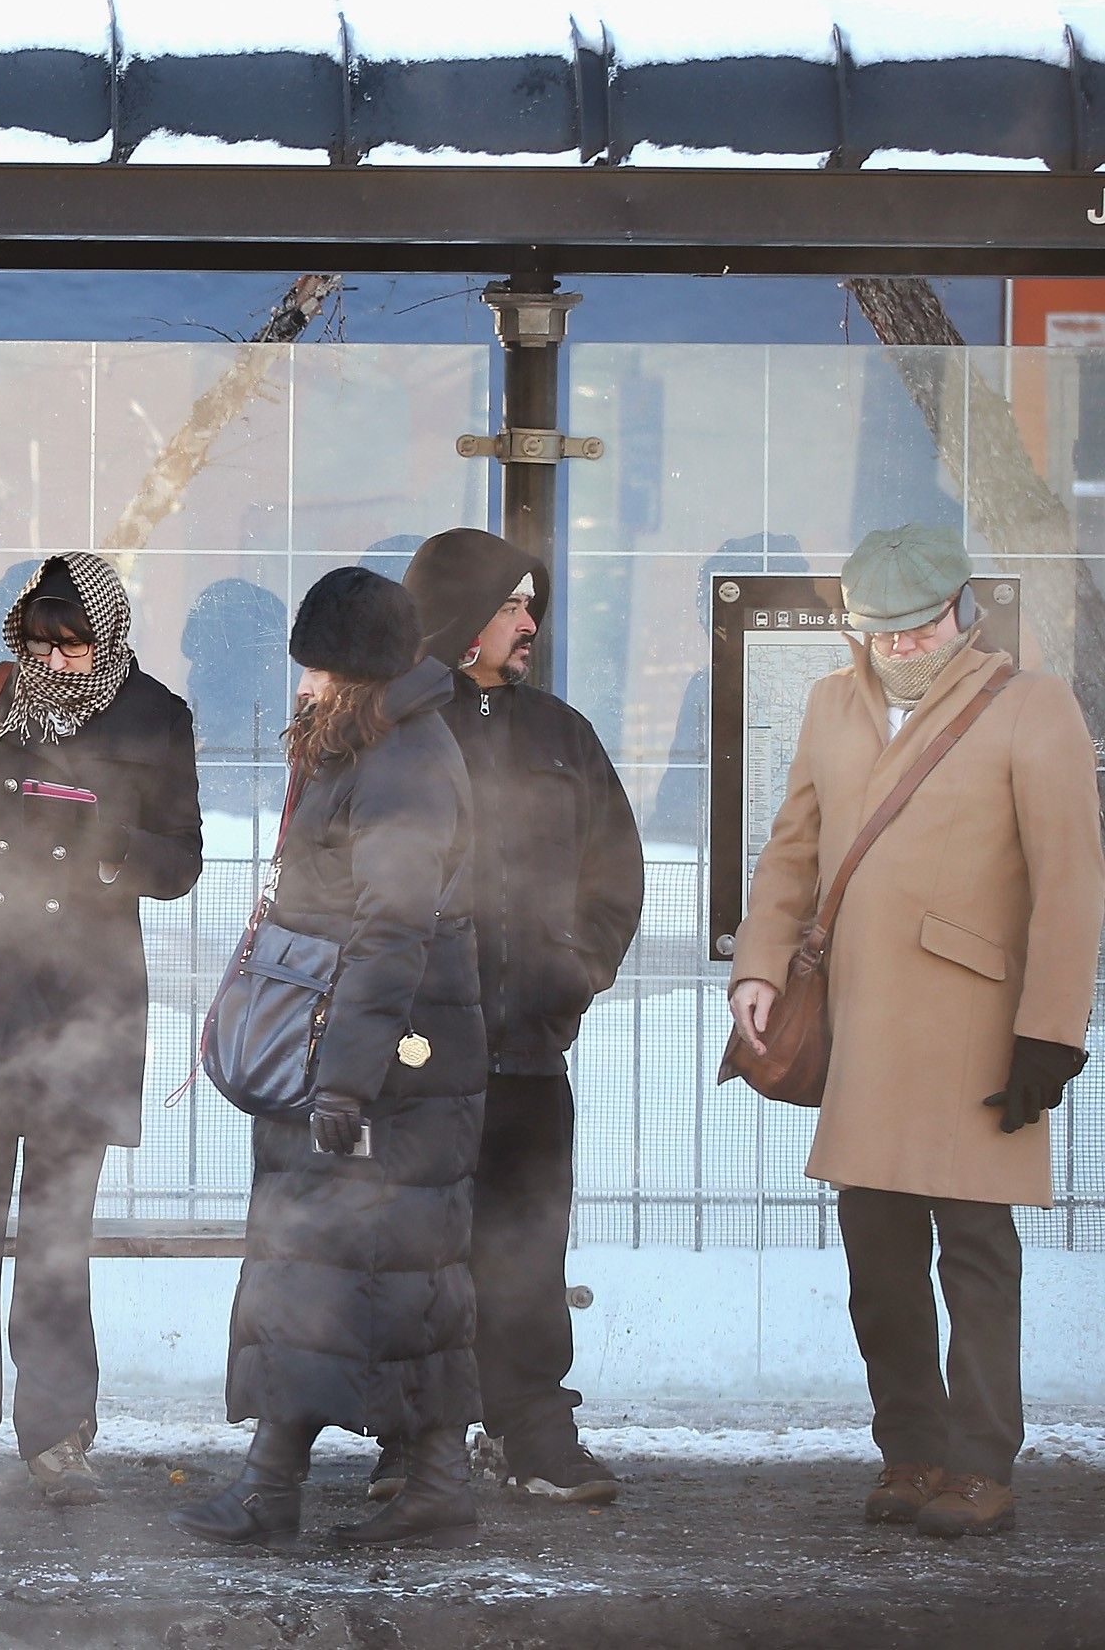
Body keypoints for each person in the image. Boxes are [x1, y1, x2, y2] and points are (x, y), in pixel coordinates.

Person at [731, 525, 1101, 1540]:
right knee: (876, 1250)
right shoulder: (828, 705)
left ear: (961, 610)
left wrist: (1051, 1034)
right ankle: (910, 1452)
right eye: (879, 631)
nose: (898, 647)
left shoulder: (1033, 708)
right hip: (863, 1028)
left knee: (976, 1250)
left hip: (981, 1030)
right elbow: (791, 852)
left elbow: (1071, 883)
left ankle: (981, 1466)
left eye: (917, 625)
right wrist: (759, 968)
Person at [172, 566, 485, 1551]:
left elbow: (394, 931)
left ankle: (302, 1488)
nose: (300, 683)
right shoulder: (374, 747)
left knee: (359, 1274)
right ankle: (375, 1482)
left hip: (376, 1065)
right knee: (360, 1272)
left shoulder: (402, 767)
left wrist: (344, 1079)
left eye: (314, 666)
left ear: (353, 673)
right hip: (366, 1054)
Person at [0, 551, 202, 1506]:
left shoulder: (155, 715)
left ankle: (58, 1434)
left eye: (75, 644)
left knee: (61, 1233)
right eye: (40, 642)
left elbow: (182, 858)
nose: (56, 663)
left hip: (84, 1005)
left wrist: (108, 855)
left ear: (108, 638)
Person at [397, 529, 643, 1505]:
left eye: (532, 604)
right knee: (413, 1247)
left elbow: (613, 871)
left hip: (531, 1047)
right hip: (413, 1053)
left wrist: (571, 975)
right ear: (459, 618)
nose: (530, 623)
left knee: (527, 1244)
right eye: (511, 606)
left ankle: (533, 1431)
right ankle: (415, 1440)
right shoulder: (394, 728)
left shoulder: (559, 733)